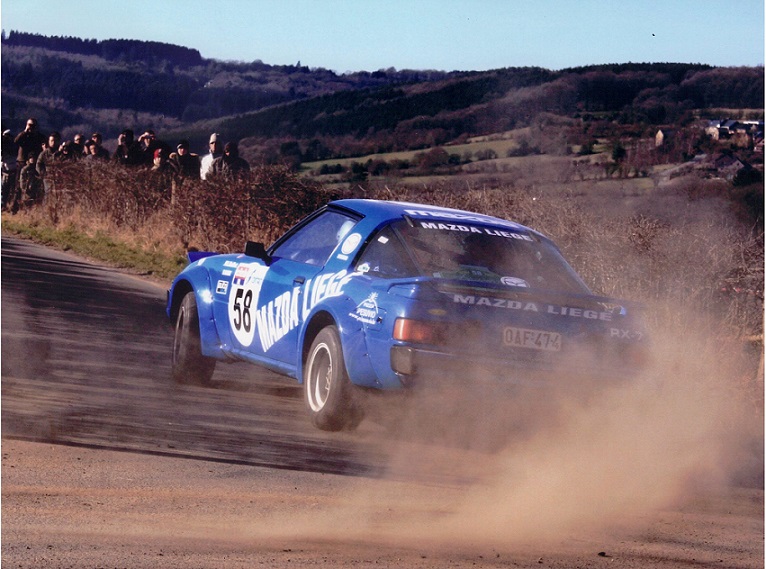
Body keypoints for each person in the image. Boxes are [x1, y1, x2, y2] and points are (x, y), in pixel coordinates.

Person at [2, 129, 18, 209]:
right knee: (3, 189)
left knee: (9, 189)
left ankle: (8, 205)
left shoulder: (12, 146)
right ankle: (3, 205)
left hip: (11, 170)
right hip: (4, 170)